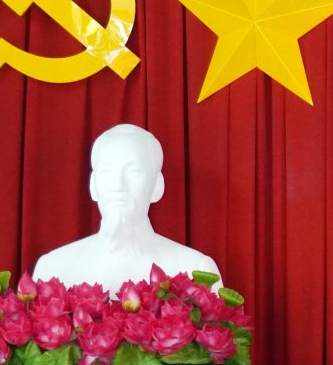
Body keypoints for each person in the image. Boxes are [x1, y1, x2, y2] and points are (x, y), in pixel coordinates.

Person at [32, 123, 222, 290]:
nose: (118, 185)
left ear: (157, 186)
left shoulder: (196, 270)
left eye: (134, 171)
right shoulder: (52, 269)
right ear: (93, 186)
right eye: (106, 171)